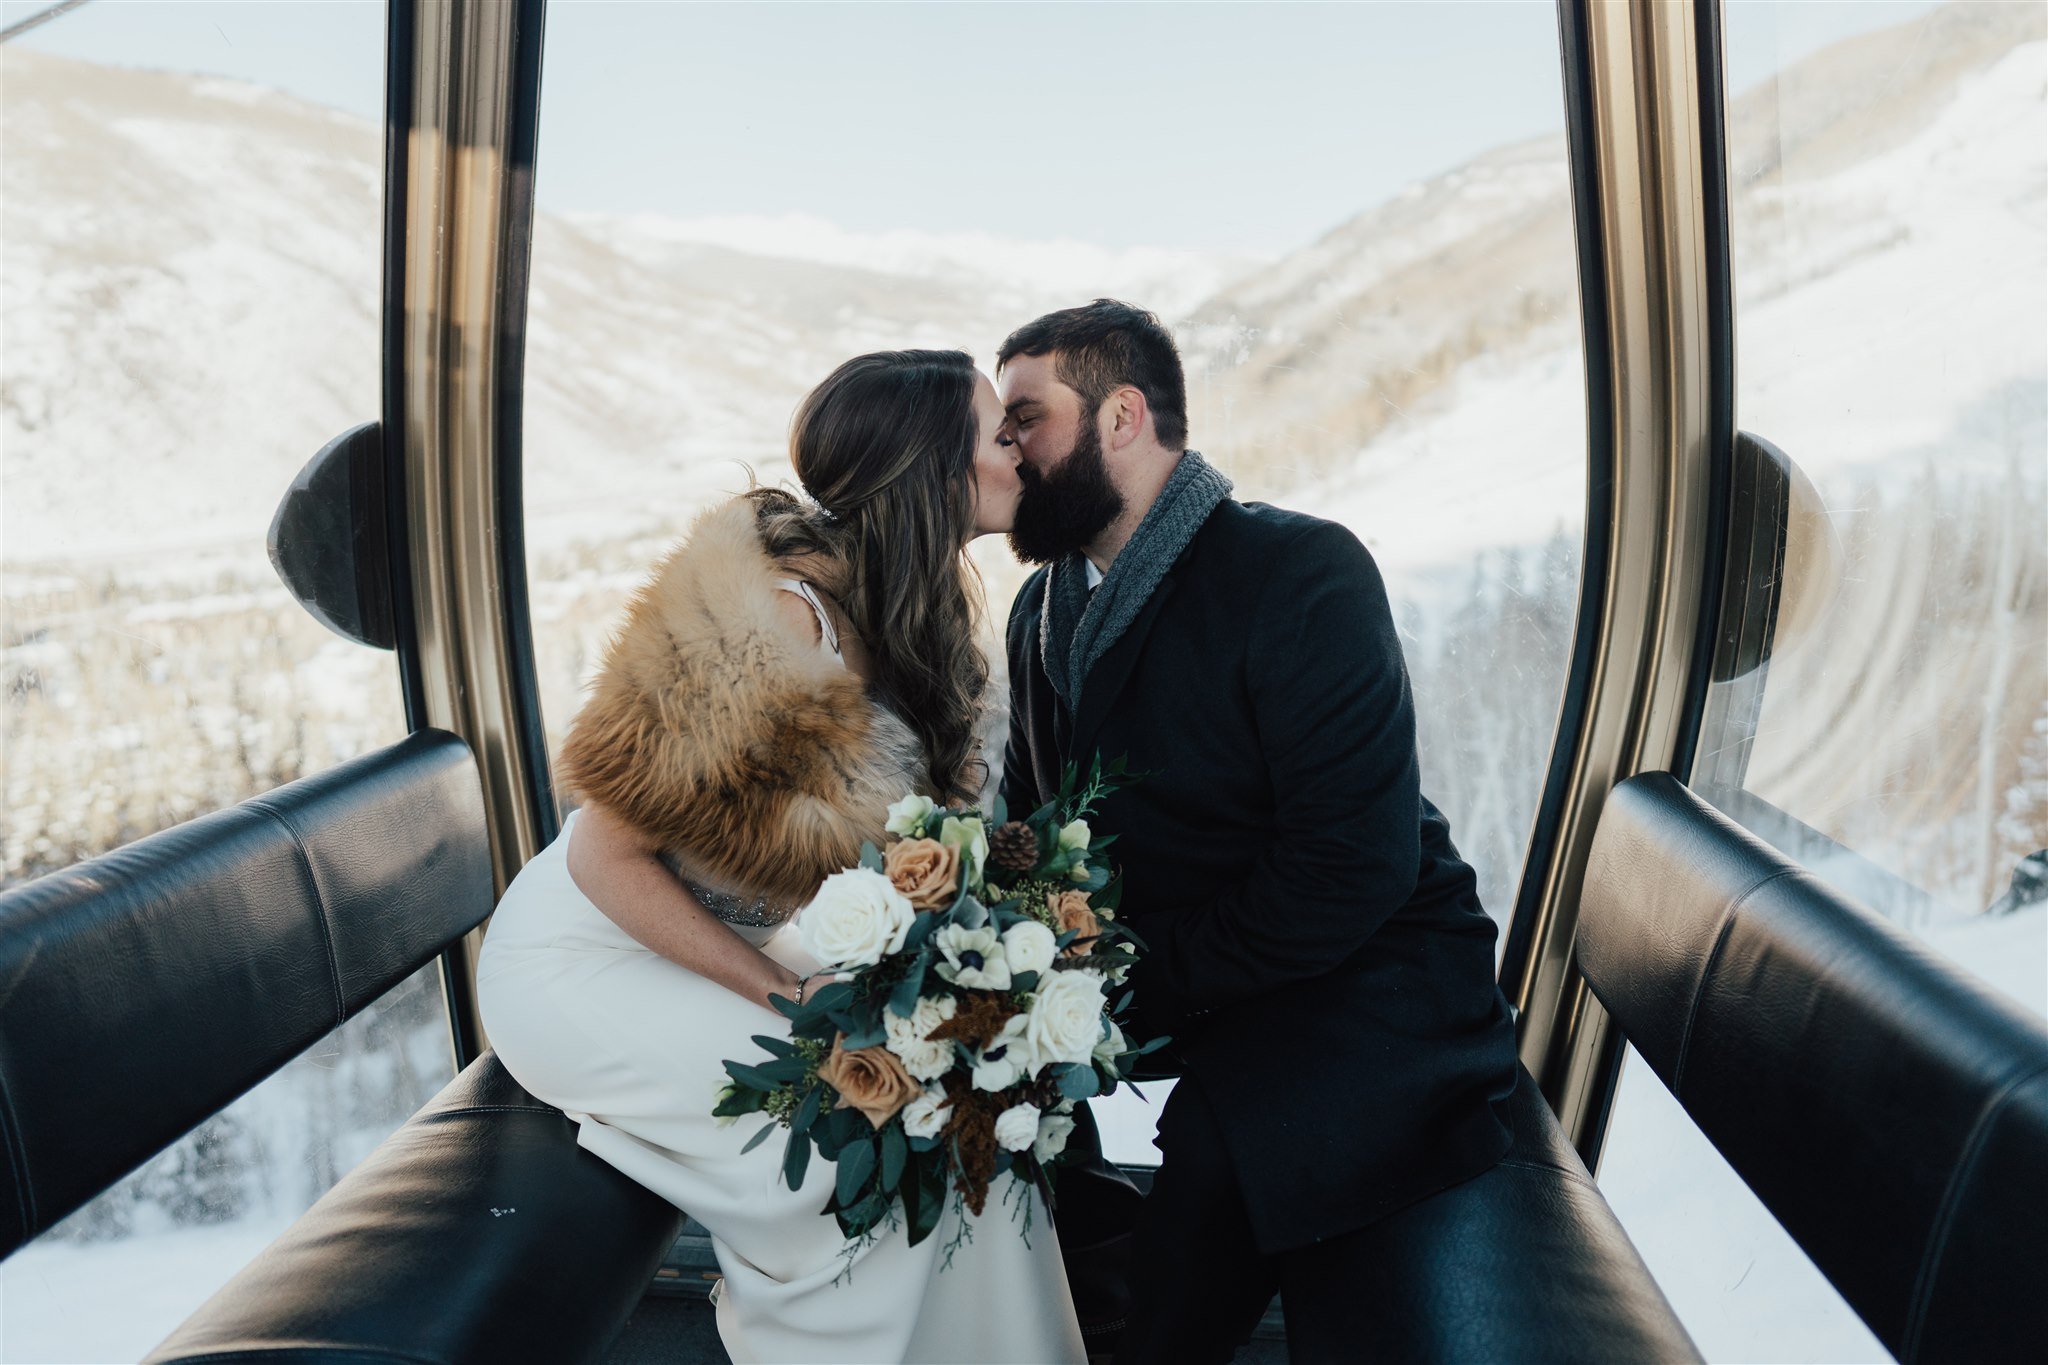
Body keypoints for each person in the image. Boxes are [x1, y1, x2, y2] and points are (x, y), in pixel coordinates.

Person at [476, 350, 1087, 1365]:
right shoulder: (769, 618)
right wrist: (782, 998)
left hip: (731, 943)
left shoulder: (932, 628)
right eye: (997, 435)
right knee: (852, 1142)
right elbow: (605, 860)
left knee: (971, 1121)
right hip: (591, 961)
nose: (1020, 455)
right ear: (930, 474)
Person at [997, 300, 1521, 1364]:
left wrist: (1123, 979)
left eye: (1025, 419)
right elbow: (1027, 817)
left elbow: (1348, 869)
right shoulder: (1038, 611)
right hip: (1196, 959)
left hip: (1366, 965)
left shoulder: (1299, 573)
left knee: (1222, 1147)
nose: (1005, 449)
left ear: (1121, 417)